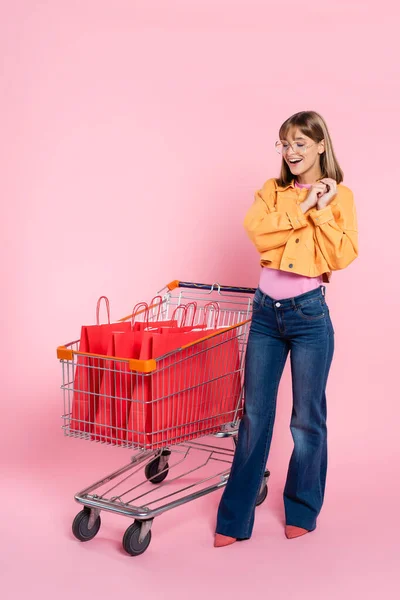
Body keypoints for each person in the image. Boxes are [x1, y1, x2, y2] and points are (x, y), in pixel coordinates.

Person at [214, 110, 359, 547]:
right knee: (254, 418)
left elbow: (341, 255)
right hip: (264, 316)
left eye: (300, 142)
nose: (291, 151)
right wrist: (303, 207)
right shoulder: (271, 192)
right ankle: (234, 519)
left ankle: (302, 507)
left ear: (320, 146)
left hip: (309, 317)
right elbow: (257, 233)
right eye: (285, 143)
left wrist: (323, 210)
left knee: (307, 421)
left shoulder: (341, 197)